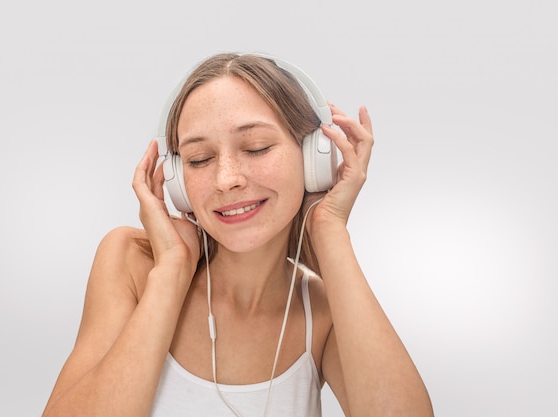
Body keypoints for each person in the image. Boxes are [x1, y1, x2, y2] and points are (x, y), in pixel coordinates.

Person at [42, 53, 434, 417]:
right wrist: (173, 269)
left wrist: (329, 228)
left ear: (313, 157)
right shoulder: (132, 261)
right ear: (177, 181)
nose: (226, 179)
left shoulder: (323, 312)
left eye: (256, 147)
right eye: (199, 159)